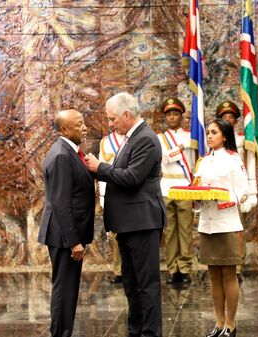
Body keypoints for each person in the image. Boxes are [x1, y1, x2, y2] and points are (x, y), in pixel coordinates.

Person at [84, 92, 165, 337]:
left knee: (146, 285)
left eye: (112, 119)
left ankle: (150, 333)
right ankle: (136, 330)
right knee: (131, 284)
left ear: (127, 115)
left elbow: (132, 178)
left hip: (142, 223)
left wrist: (100, 168)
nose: (110, 124)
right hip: (130, 224)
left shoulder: (146, 139)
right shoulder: (132, 138)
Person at [37, 109, 95, 337]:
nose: (85, 127)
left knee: (68, 288)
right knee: (65, 289)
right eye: (79, 124)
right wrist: (74, 242)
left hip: (67, 234)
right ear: (64, 130)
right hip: (64, 237)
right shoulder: (62, 155)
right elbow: (60, 203)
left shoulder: (70, 151)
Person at [195, 118, 249, 337]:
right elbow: (197, 187)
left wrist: (227, 199)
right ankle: (218, 323)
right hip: (207, 223)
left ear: (224, 136)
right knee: (213, 275)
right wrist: (196, 195)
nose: (209, 136)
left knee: (229, 274)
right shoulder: (204, 161)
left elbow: (244, 190)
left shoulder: (233, 160)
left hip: (226, 222)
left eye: (214, 132)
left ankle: (230, 324)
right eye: (208, 132)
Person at [215, 101, 258, 282]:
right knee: (218, 230)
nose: (228, 120)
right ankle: (220, 264)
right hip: (218, 191)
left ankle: (237, 267)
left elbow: (249, 166)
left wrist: (251, 193)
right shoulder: (214, 140)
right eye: (224, 117)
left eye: (231, 117)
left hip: (237, 191)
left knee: (237, 230)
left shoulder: (242, 140)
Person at [158, 97, 196, 285]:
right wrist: (178, 150)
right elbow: (162, 159)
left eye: (175, 114)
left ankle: (186, 267)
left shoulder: (192, 136)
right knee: (170, 230)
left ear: (182, 116)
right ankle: (173, 268)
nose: (172, 117)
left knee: (185, 230)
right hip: (166, 187)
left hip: (184, 186)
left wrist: (183, 146)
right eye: (169, 115)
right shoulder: (159, 138)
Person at [97, 130, 124, 284]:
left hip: (129, 194)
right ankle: (118, 270)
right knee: (115, 236)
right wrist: (102, 198)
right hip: (111, 195)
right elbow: (101, 172)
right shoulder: (106, 142)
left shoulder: (133, 140)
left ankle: (130, 270)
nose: (112, 123)